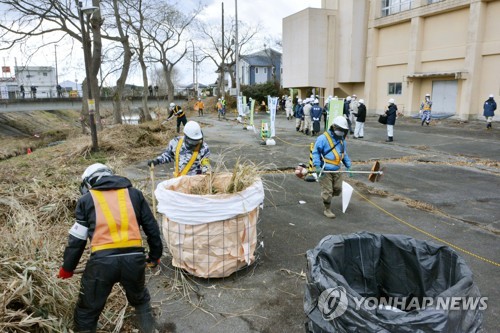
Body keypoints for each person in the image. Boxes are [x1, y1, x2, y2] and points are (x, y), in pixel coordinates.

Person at [57, 163, 163, 333]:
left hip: (102, 265)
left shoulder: (85, 200)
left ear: (89, 182)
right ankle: (149, 329)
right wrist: (155, 255)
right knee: (140, 300)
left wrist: (67, 268)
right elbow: (152, 228)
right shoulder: (135, 194)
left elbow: (77, 240)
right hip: (134, 261)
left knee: (87, 310)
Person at [312, 116, 352, 219]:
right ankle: (327, 208)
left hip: (337, 169)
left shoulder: (342, 140)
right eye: (339, 129)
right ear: (334, 127)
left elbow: (344, 154)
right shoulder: (323, 138)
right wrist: (317, 166)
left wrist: (348, 165)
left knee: (338, 189)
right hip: (325, 169)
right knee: (328, 191)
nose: (341, 132)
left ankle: (327, 197)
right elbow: (316, 153)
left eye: (343, 130)